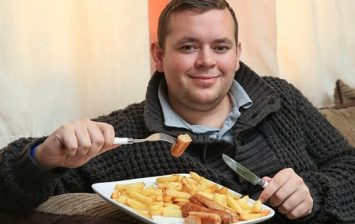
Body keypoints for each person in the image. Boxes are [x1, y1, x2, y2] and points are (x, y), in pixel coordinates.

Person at [0, 0, 354, 223]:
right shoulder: (128, 136)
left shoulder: (281, 97)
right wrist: (42, 157)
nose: (206, 61)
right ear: (158, 56)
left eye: (220, 46)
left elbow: (348, 165)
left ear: (237, 52)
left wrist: (313, 195)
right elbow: (8, 191)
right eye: (188, 46)